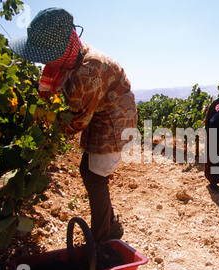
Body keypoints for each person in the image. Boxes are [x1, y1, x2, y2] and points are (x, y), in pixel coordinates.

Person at [10, 8, 137, 242]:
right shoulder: (74, 54)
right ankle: (112, 224)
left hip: (113, 125)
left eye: (46, 55)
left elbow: (77, 120)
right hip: (102, 118)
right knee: (88, 171)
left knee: (95, 177)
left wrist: (47, 135)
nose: (44, 61)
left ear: (61, 51)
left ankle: (103, 239)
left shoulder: (87, 72)